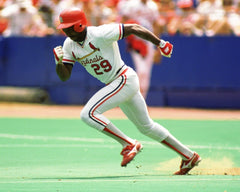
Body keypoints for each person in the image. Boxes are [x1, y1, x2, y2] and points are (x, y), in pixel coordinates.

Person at [53, 7, 201, 175]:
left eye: (68, 27)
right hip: (118, 84)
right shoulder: (69, 45)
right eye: (63, 27)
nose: (65, 30)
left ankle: (128, 144)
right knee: (147, 127)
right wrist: (59, 63)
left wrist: (160, 43)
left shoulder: (100, 33)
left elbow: (133, 28)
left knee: (88, 114)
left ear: (79, 25)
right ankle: (189, 156)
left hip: (123, 78)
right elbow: (64, 76)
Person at [117, 0, 162, 99]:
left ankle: (142, 100)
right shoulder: (132, 4)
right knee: (141, 71)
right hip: (136, 41)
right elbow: (123, 20)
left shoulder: (152, 6)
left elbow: (156, 25)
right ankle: (136, 98)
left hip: (149, 42)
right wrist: (128, 37)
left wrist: (158, 46)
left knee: (146, 73)